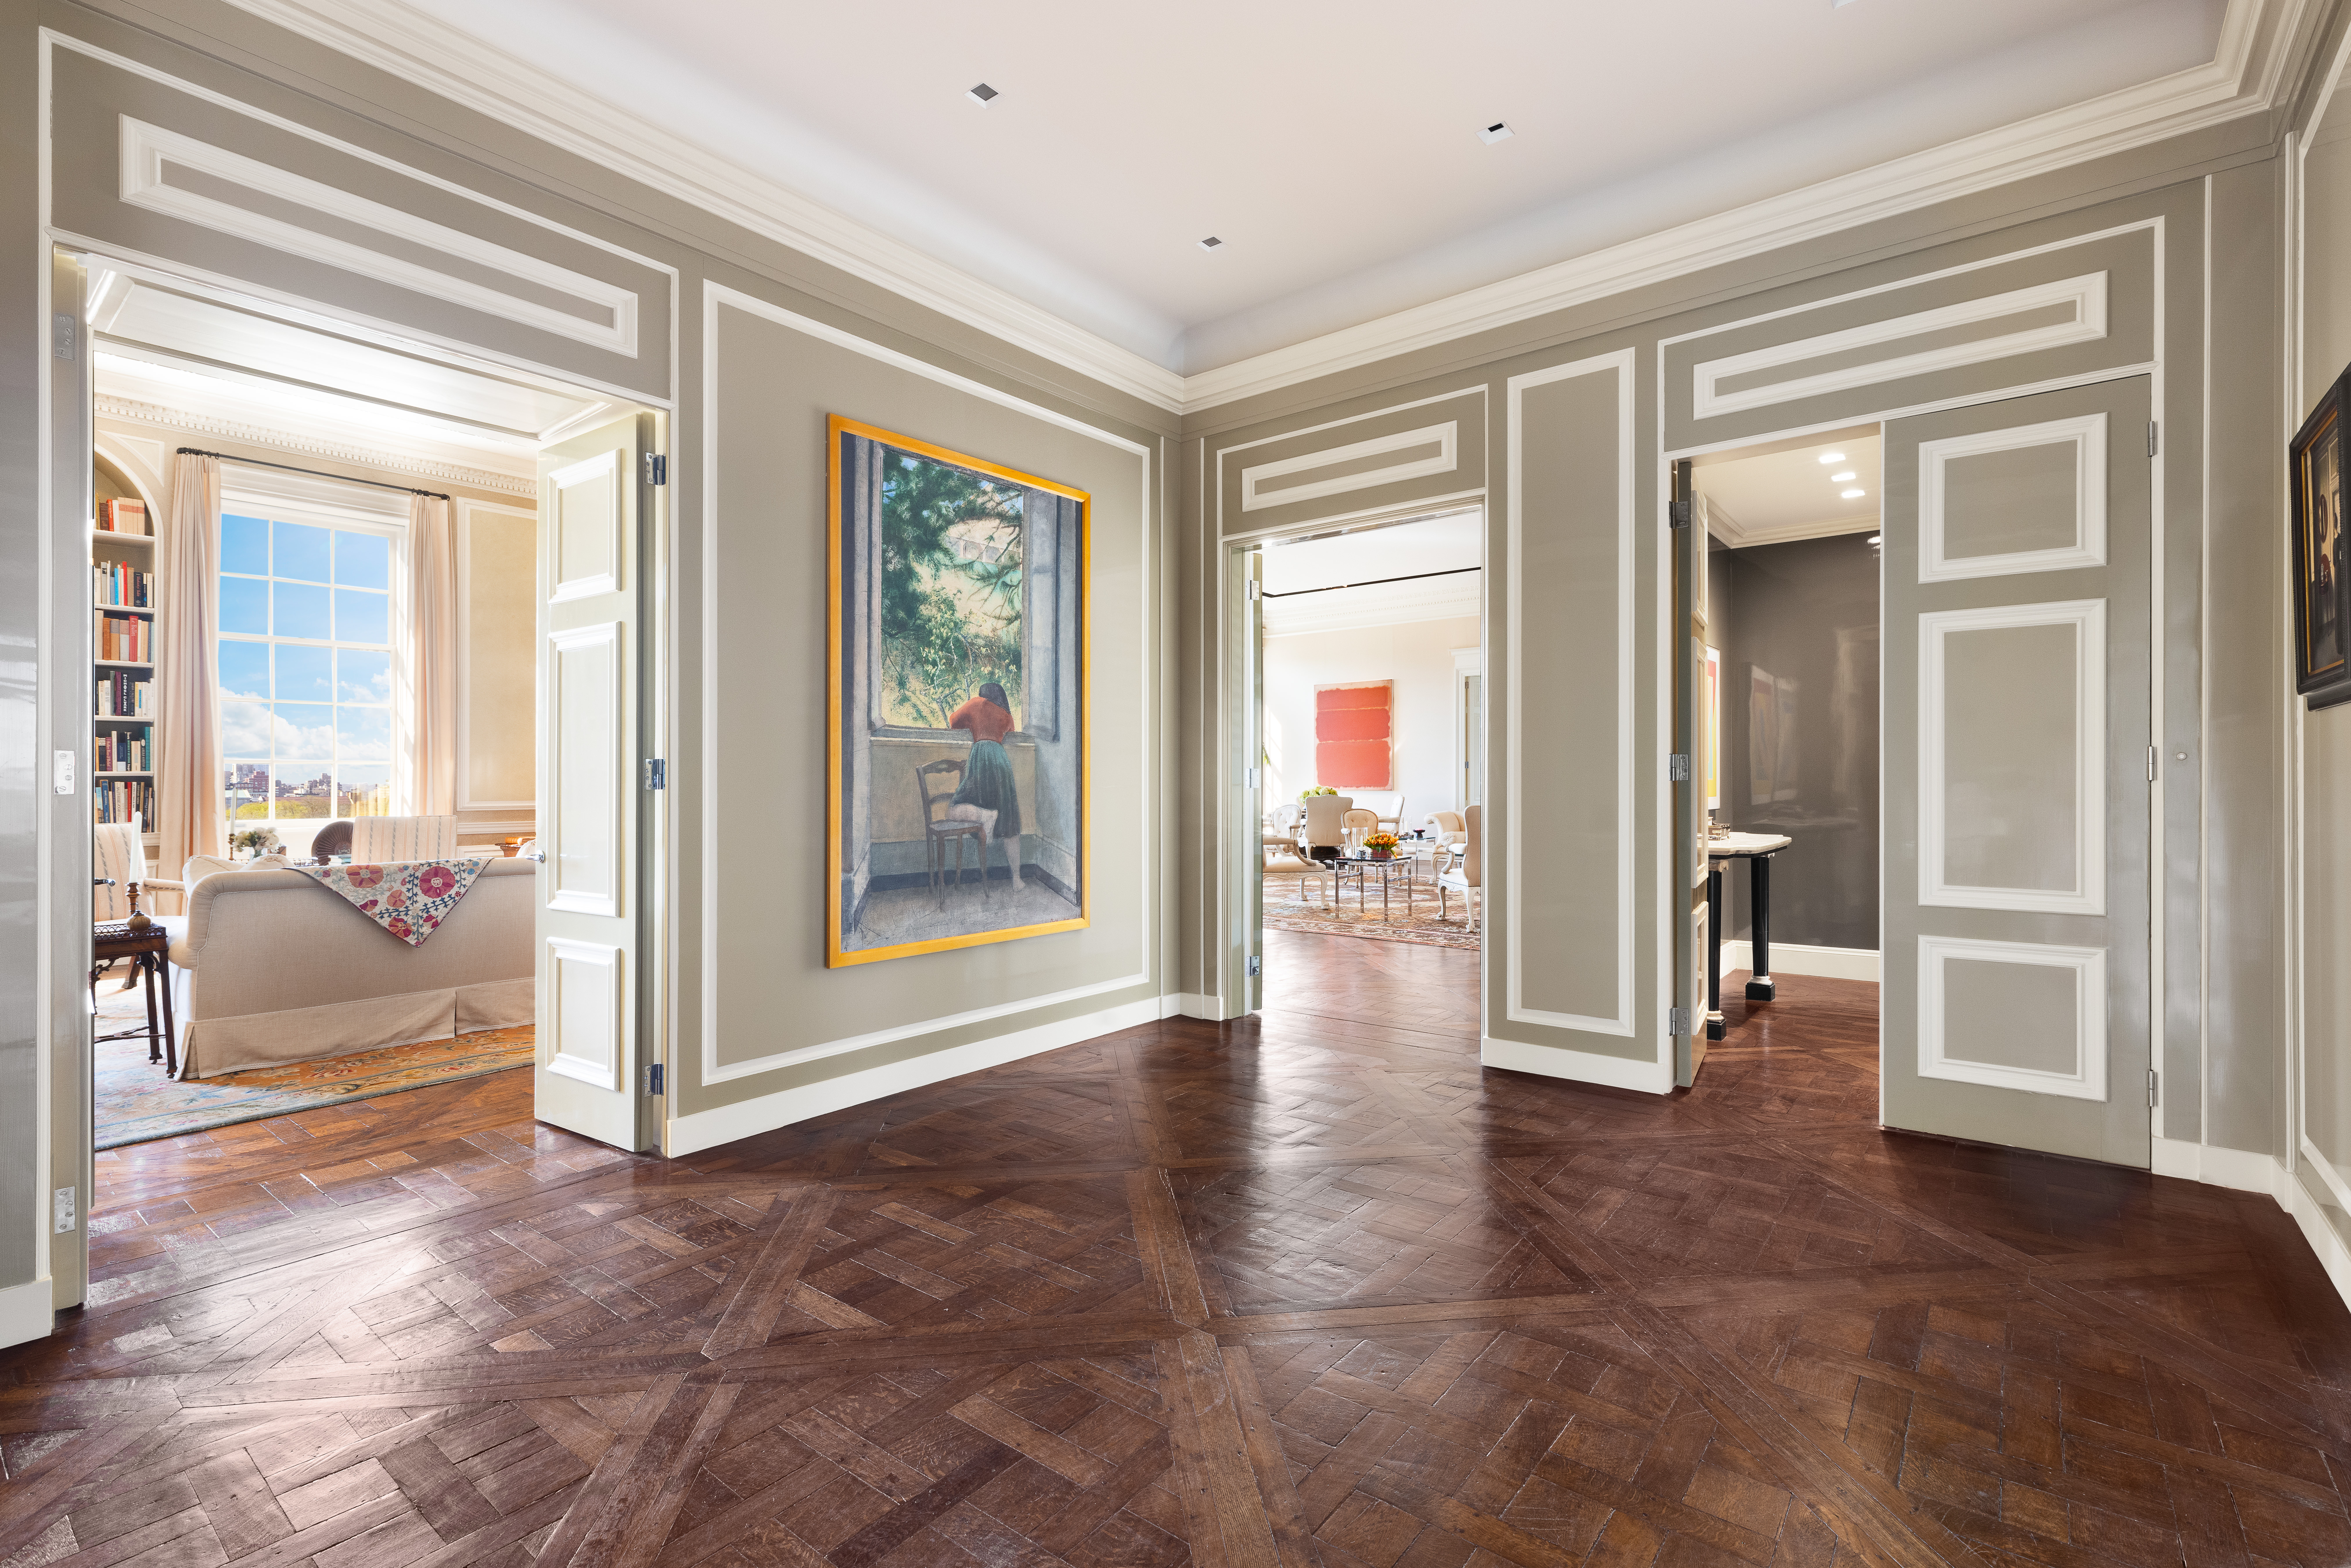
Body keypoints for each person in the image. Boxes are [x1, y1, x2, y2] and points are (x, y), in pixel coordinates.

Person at [946, 680, 1023, 893]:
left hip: (981, 757)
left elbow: (953, 721)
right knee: (1009, 819)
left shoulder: (976, 703)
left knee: (953, 810)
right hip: (1001, 760)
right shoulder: (1006, 715)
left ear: (984, 694)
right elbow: (1009, 731)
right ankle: (1017, 879)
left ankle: (986, 816)